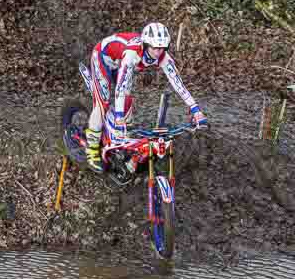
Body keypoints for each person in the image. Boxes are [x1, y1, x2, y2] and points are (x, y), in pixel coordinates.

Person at [85, 23, 208, 172]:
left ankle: (122, 140)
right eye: (155, 47)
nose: (158, 52)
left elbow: (178, 84)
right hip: (103, 58)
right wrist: (118, 116)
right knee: (102, 103)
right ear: (145, 44)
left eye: (163, 47)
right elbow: (121, 87)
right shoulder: (132, 54)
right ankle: (91, 150)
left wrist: (195, 110)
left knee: (127, 101)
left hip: (119, 62)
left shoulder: (163, 56)